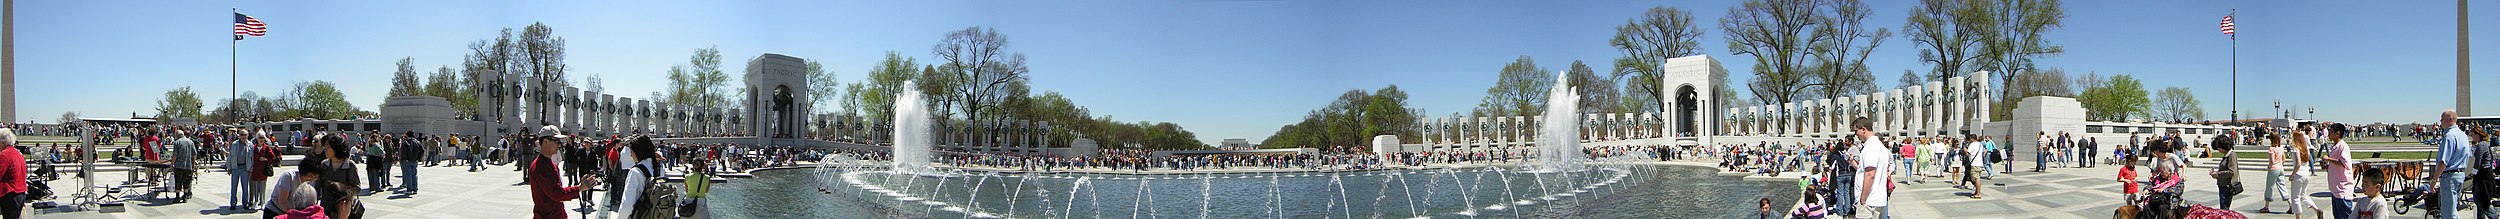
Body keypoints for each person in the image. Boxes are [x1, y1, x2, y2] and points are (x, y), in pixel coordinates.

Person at [531, 126, 599, 219]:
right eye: (556, 141)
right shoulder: (541, 166)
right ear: (546, 141)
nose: (559, 145)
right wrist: (579, 188)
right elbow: (556, 194)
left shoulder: (549, 164)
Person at [1851, 117, 1892, 219]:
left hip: (1869, 200)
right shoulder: (1880, 147)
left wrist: (1863, 198)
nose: (1856, 134)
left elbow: (1870, 174)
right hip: (1878, 198)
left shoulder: (1870, 148)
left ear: (1863, 129)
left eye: (1856, 131)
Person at [2435, 109, 2472, 219]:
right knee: (2453, 210)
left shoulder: (2449, 136)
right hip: (2459, 175)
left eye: (2442, 120)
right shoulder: (2463, 135)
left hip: (2449, 176)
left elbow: (2443, 162)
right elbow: (2468, 155)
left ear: (2450, 120)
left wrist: (2434, 179)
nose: (2440, 122)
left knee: (2448, 213)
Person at [2322, 124, 2358, 219]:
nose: (2329, 134)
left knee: (2345, 216)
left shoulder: (2343, 147)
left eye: (2331, 132)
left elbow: (2343, 163)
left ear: (2337, 134)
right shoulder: (2335, 147)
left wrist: (2328, 159)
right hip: (2335, 189)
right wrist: (2327, 166)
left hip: (2343, 188)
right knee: (2337, 215)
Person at [2209, 131, 2240, 211]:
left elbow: (2232, 171)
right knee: (2223, 207)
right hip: (2223, 185)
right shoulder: (2226, 155)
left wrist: (2217, 174)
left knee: (2224, 208)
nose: (2218, 150)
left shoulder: (2231, 155)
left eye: (2218, 147)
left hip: (2227, 186)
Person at [0, 128, 27, 219]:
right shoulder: (18, 153)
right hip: (20, 193)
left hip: (10, 194)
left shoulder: (5, 154)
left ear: (3, 142)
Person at [2260, 129, 2288, 214]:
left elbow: (2271, 161)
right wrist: (2279, 164)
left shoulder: (2271, 149)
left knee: (2269, 187)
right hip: (2280, 168)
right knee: (2282, 186)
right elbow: (2284, 159)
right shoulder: (2281, 147)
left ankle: (2266, 206)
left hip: (2273, 169)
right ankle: (2290, 204)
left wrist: (2269, 166)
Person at [171, 129, 199, 202]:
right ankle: (185, 197)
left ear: (177, 136)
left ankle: (177, 197)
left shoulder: (177, 143)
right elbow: (194, 154)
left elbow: (175, 155)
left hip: (179, 165)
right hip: (188, 165)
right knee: (187, 182)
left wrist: (172, 164)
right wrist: (193, 163)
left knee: (178, 181)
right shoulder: (190, 142)